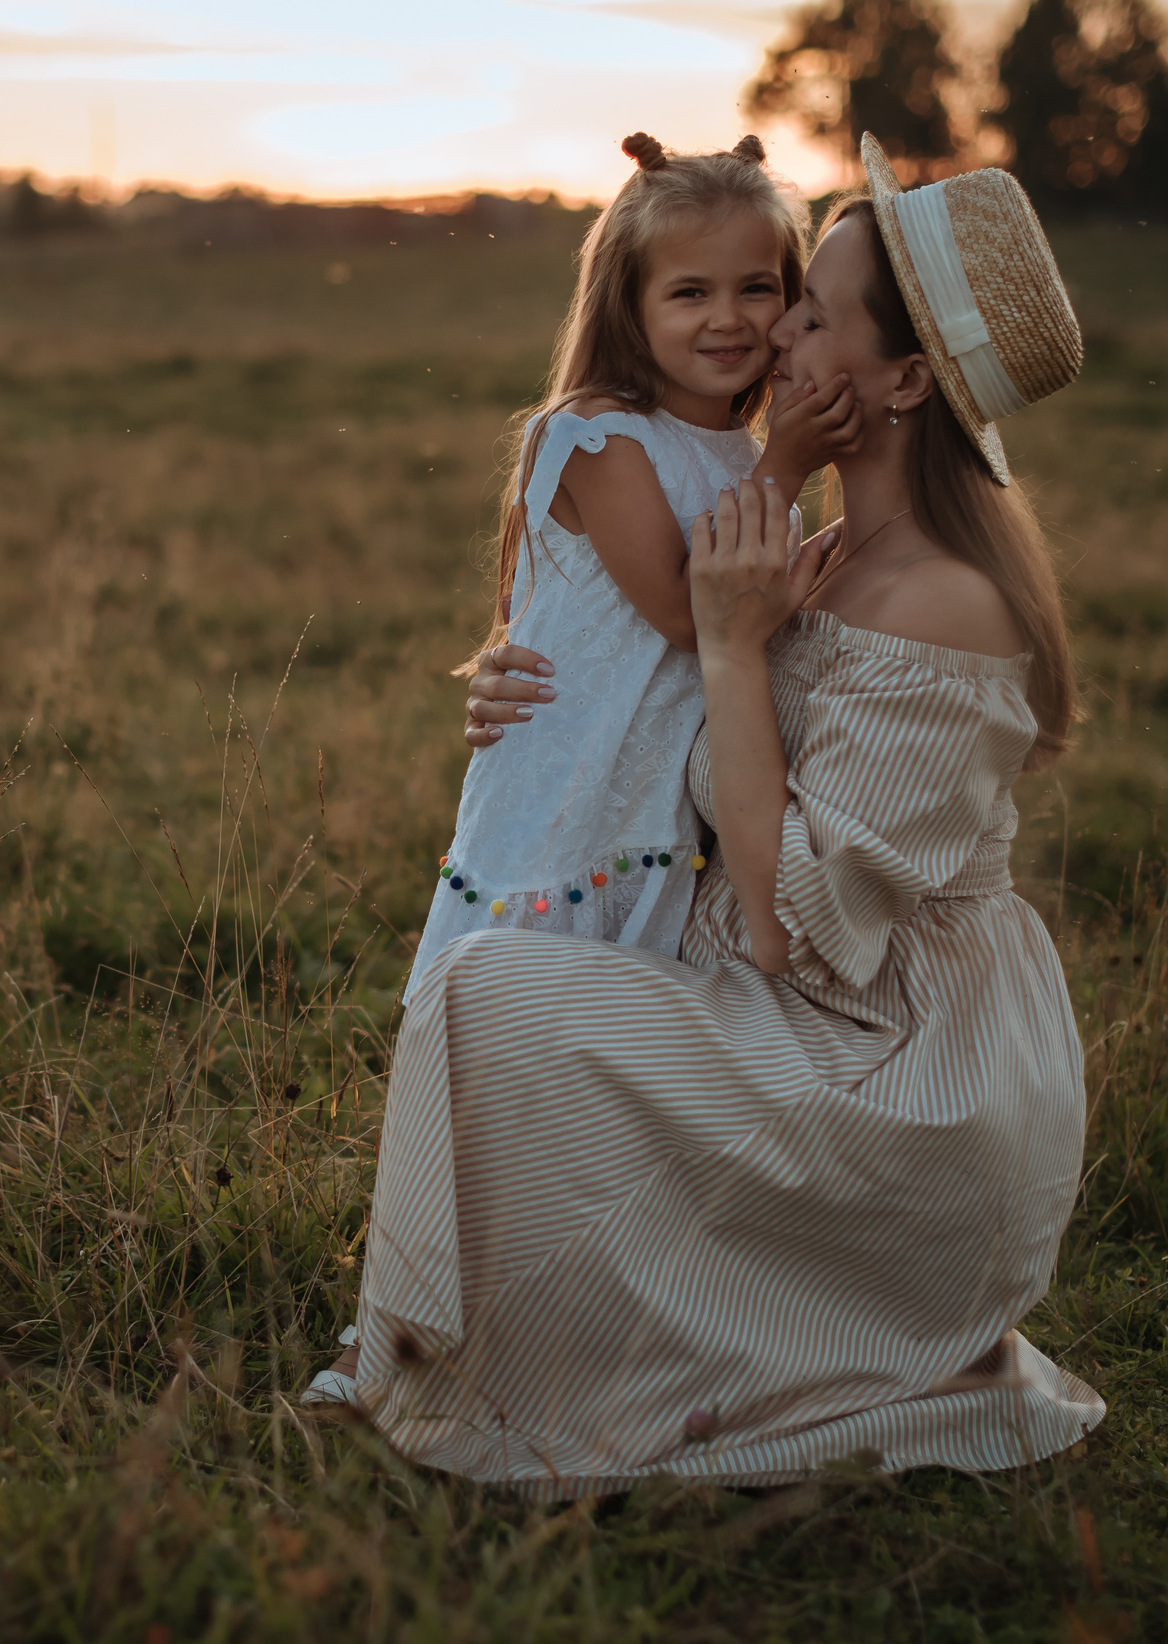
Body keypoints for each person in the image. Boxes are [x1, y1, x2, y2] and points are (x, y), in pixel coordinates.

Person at [306, 136, 1106, 1495]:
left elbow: (803, 929)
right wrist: (531, 684)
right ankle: (461, 1336)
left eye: (805, 307)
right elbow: (657, 669)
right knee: (498, 992)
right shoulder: (819, 550)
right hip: (778, 986)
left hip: (897, 1075)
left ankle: (486, 1354)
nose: (770, 333)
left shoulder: (941, 607)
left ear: (903, 378)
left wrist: (734, 650)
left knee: (494, 992)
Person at [397, 132, 859, 1004]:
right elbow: (698, 615)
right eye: (690, 292)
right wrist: (789, 467)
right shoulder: (601, 437)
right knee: (532, 1020)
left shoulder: (740, 455)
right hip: (574, 795)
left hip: (660, 806)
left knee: (623, 1038)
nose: (729, 317)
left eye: (756, 287)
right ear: (629, 304)